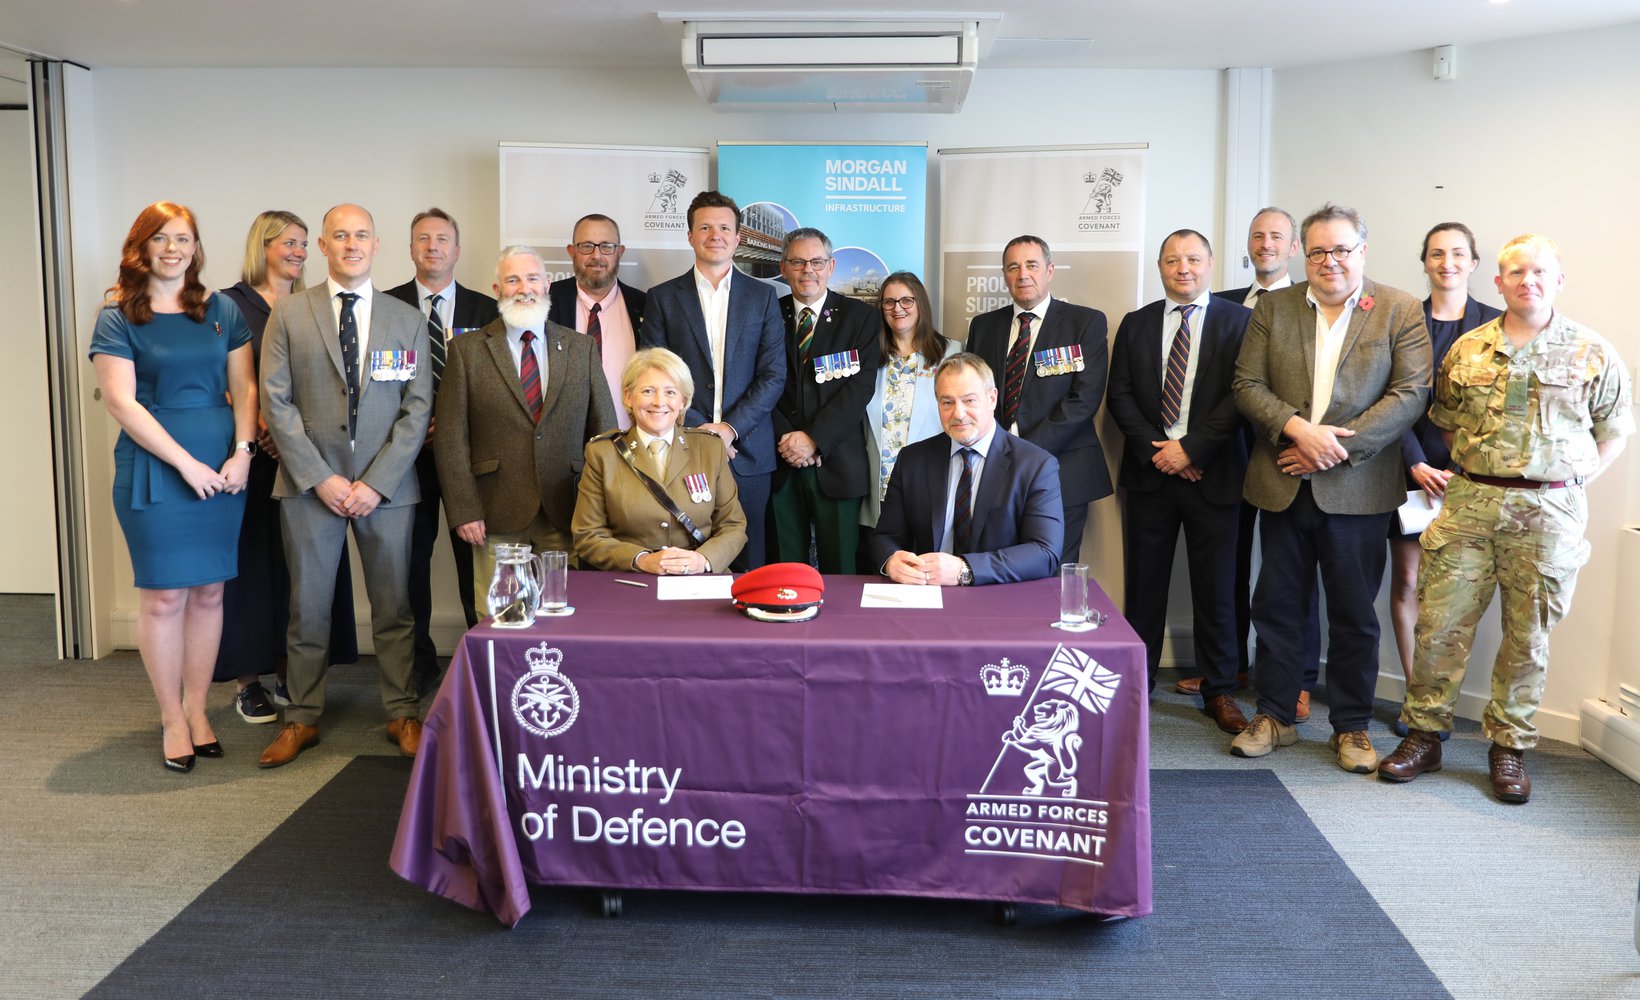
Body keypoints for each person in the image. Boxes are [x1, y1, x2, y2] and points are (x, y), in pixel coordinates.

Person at [1378, 235, 1632, 803]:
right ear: (1498, 282)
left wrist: (1568, 483)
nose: (1528, 281)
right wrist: (1489, 469)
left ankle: (1508, 748)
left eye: (1540, 271)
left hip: (1549, 513)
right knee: (1440, 623)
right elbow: (1446, 422)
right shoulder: (1467, 349)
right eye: (1515, 272)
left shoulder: (1592, 352)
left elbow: (1614, 432)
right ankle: (1425, 735)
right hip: (1469, 504)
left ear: (1558, 280)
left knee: (1528, 634)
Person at [1230, 203, 1431, 773]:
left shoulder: (1398, 309)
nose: (1329, 261)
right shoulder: (1274, 307)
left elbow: (1411, 393)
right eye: (1317, 250)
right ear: (1303, 254)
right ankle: (1274, 715)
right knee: (1276, 606)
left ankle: (1351, 728)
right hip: (1283, 480)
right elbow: (1246, 383)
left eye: (1341, 249)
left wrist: (1333, 446)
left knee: (1352, 615)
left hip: (1359, 489)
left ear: (1361, 251)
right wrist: (1297, 429)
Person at [257, 203, 433, 768]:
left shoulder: (405, 319)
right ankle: (302, 718)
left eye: (361, 235)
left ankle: (402, 711)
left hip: (388, 491)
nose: (351, 243)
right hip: (312, 487)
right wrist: (322, 478)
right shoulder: (289, 314)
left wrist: (376, 483)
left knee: (395, 607)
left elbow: (417, 409)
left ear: (376, 245)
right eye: (339, 235)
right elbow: (275, 403)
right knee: (306, 609)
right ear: (324, 247)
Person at [89, 202, 256, 772]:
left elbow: (246, 389)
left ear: (195, 246)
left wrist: (243, 453)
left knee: (210, 592)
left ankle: (200, 709)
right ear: (141, 246)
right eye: (160, 238)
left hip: (224, 466)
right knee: (164, 597)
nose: (172, 248)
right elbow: (121, 401)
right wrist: (187, 465)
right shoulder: (117, 315)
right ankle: (171, 718)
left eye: (182, 238)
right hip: (157, 468)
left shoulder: (221, 310)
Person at [217, 211, 359, 724]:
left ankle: (289, 673)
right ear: (263, 246)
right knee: (253, 568)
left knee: (298, 569)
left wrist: (299, 446)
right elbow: (225, 377)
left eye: (303, 244)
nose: (299, 252)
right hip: (253, 458)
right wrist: (261, 434)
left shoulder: (311, 305)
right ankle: (247, 682)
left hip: (309, 459)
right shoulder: (231, 305)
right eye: (288, 243)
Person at [1106, 230, 1251, 728]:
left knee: (1218, 590)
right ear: (1160, 266)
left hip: (1215, 473)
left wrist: (1191, 449)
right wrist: (1162, 453)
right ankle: (1137, 682)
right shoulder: (1137, 322)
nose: (1182, 268)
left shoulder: (1242, 322)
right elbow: (1120, 395)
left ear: (1210, 263)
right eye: (1172, 260)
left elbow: (1242, 396)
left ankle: (1221, 689)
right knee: (1144, 588)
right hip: (1151, 477)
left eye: (1192, 259)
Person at [1180, 206, 1319, 712]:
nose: (1265, 244)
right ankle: (1229, 667)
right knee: (1230, 569)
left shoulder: (1309, 304)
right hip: (1233, 461)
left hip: (1290, 459)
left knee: (1294, 572)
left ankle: (1300, 677)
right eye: (1257, 236)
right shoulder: (1227, 305)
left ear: (1293, 247)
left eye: (1276, 236)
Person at [436, 246, 617, 606]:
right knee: (501, 614)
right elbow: (451, 438)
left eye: (533, 278)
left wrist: (602, 507)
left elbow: (604, 433)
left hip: (568, 508)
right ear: (496, 288)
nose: (524, 287)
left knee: (564, 610)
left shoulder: (581, 348)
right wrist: (464, 510)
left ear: (548, 284)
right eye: (513, 279)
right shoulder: (466, 351)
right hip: (494, 512)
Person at [1387, 223, 1502, 734]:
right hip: (1407, 472)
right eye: (1437, 253)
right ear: (1425, 261)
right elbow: (1389, 400)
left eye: (1458, 253)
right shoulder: (1401, 321)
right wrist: (1415, 461)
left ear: (1474, 262)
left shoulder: (1498, 327)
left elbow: (1500, 413)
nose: (1447, 262)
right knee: (1409, 580)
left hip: (1471, 480)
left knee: (1456, 593)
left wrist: (1461, 469)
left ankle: (1444, 697)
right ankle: (1418, 705)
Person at [384, 207, 498, 694]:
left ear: (457, 249)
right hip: (402, 460)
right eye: (423, 239)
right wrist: (411, 428)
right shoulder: (384, 307)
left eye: (442, 239)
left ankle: (482, 664)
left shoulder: (487, 310)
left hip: (469, 460)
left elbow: (496, 387)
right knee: (408, 563)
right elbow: (374, 384)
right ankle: (416, 664)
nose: (433, 246)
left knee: (475, 560)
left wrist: (451, 427)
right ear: (410, 248)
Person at [641, 190, 784, 572]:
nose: (715, 235)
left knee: (750, 559)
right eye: (705, 227)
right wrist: (703, 432)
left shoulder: (764, 297)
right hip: (683, 448)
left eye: (724, 227)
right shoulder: (663, 298)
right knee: (690, 558)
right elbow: (656, 375)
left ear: (738, 238)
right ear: (690, 236)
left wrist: (729, 429)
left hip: (749, 453)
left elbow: (773, 374)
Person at [965, 235, 1110, 562]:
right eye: (1013, 267)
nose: (1022, 275)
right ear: (1004, 275)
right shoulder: (983, 326)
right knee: (999, 568)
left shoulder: (1084, 322)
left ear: (1050, 270)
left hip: (1063, 469)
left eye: (1032, 265)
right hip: (995, 471)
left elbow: (1084, 399)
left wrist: (1022, 450)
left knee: (1056, 569)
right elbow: (974, 396)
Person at [872, 353, 1063, 586]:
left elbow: (1044, 553)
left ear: (992, 399)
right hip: (926, 595)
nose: (958, 414)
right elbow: (886, 537)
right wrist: (891, 560)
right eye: (947, 402)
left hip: (998, 596)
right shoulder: (912, 460)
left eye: (969, 400)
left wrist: (965, 569)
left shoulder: (1035, 465)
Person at [573, 347, 747, 574]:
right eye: (647, 391)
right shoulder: (603, 454)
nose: (659, 402)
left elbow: (733, 526)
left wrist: (702, 560)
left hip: (699, 579)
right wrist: (640, 560)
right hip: (631, 581)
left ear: (683, 401)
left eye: (670, 393)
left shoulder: (710, 448)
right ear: (628, 397)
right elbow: (588, 535)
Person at [769, 228, 880, 573]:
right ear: (783, 267)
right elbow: (760, 383)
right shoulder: (766, 314)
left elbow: (859, 389)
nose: (808, 270)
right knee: (785, 573)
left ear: (831, 266)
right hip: (778, 461)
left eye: (816, 262)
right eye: (798, 262)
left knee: (841, 572)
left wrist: (814, 439)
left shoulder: (860, 317)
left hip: (837, 462)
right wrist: (789, 440)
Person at [862, 272, 960, 542]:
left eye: (907, 300)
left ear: (921, 305)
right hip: (879, 484)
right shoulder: (871, 357)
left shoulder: (951, 353)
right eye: (889, 302)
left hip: (931, 478)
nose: (898, 309)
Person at [548, 213, 645, 426]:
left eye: (606, 246)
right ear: (571, 252)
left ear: (620, 252)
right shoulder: (545, 304)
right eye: (586, 246)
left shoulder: (645, 306)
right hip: (563, 446)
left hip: (629, 444)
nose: (597, 255)